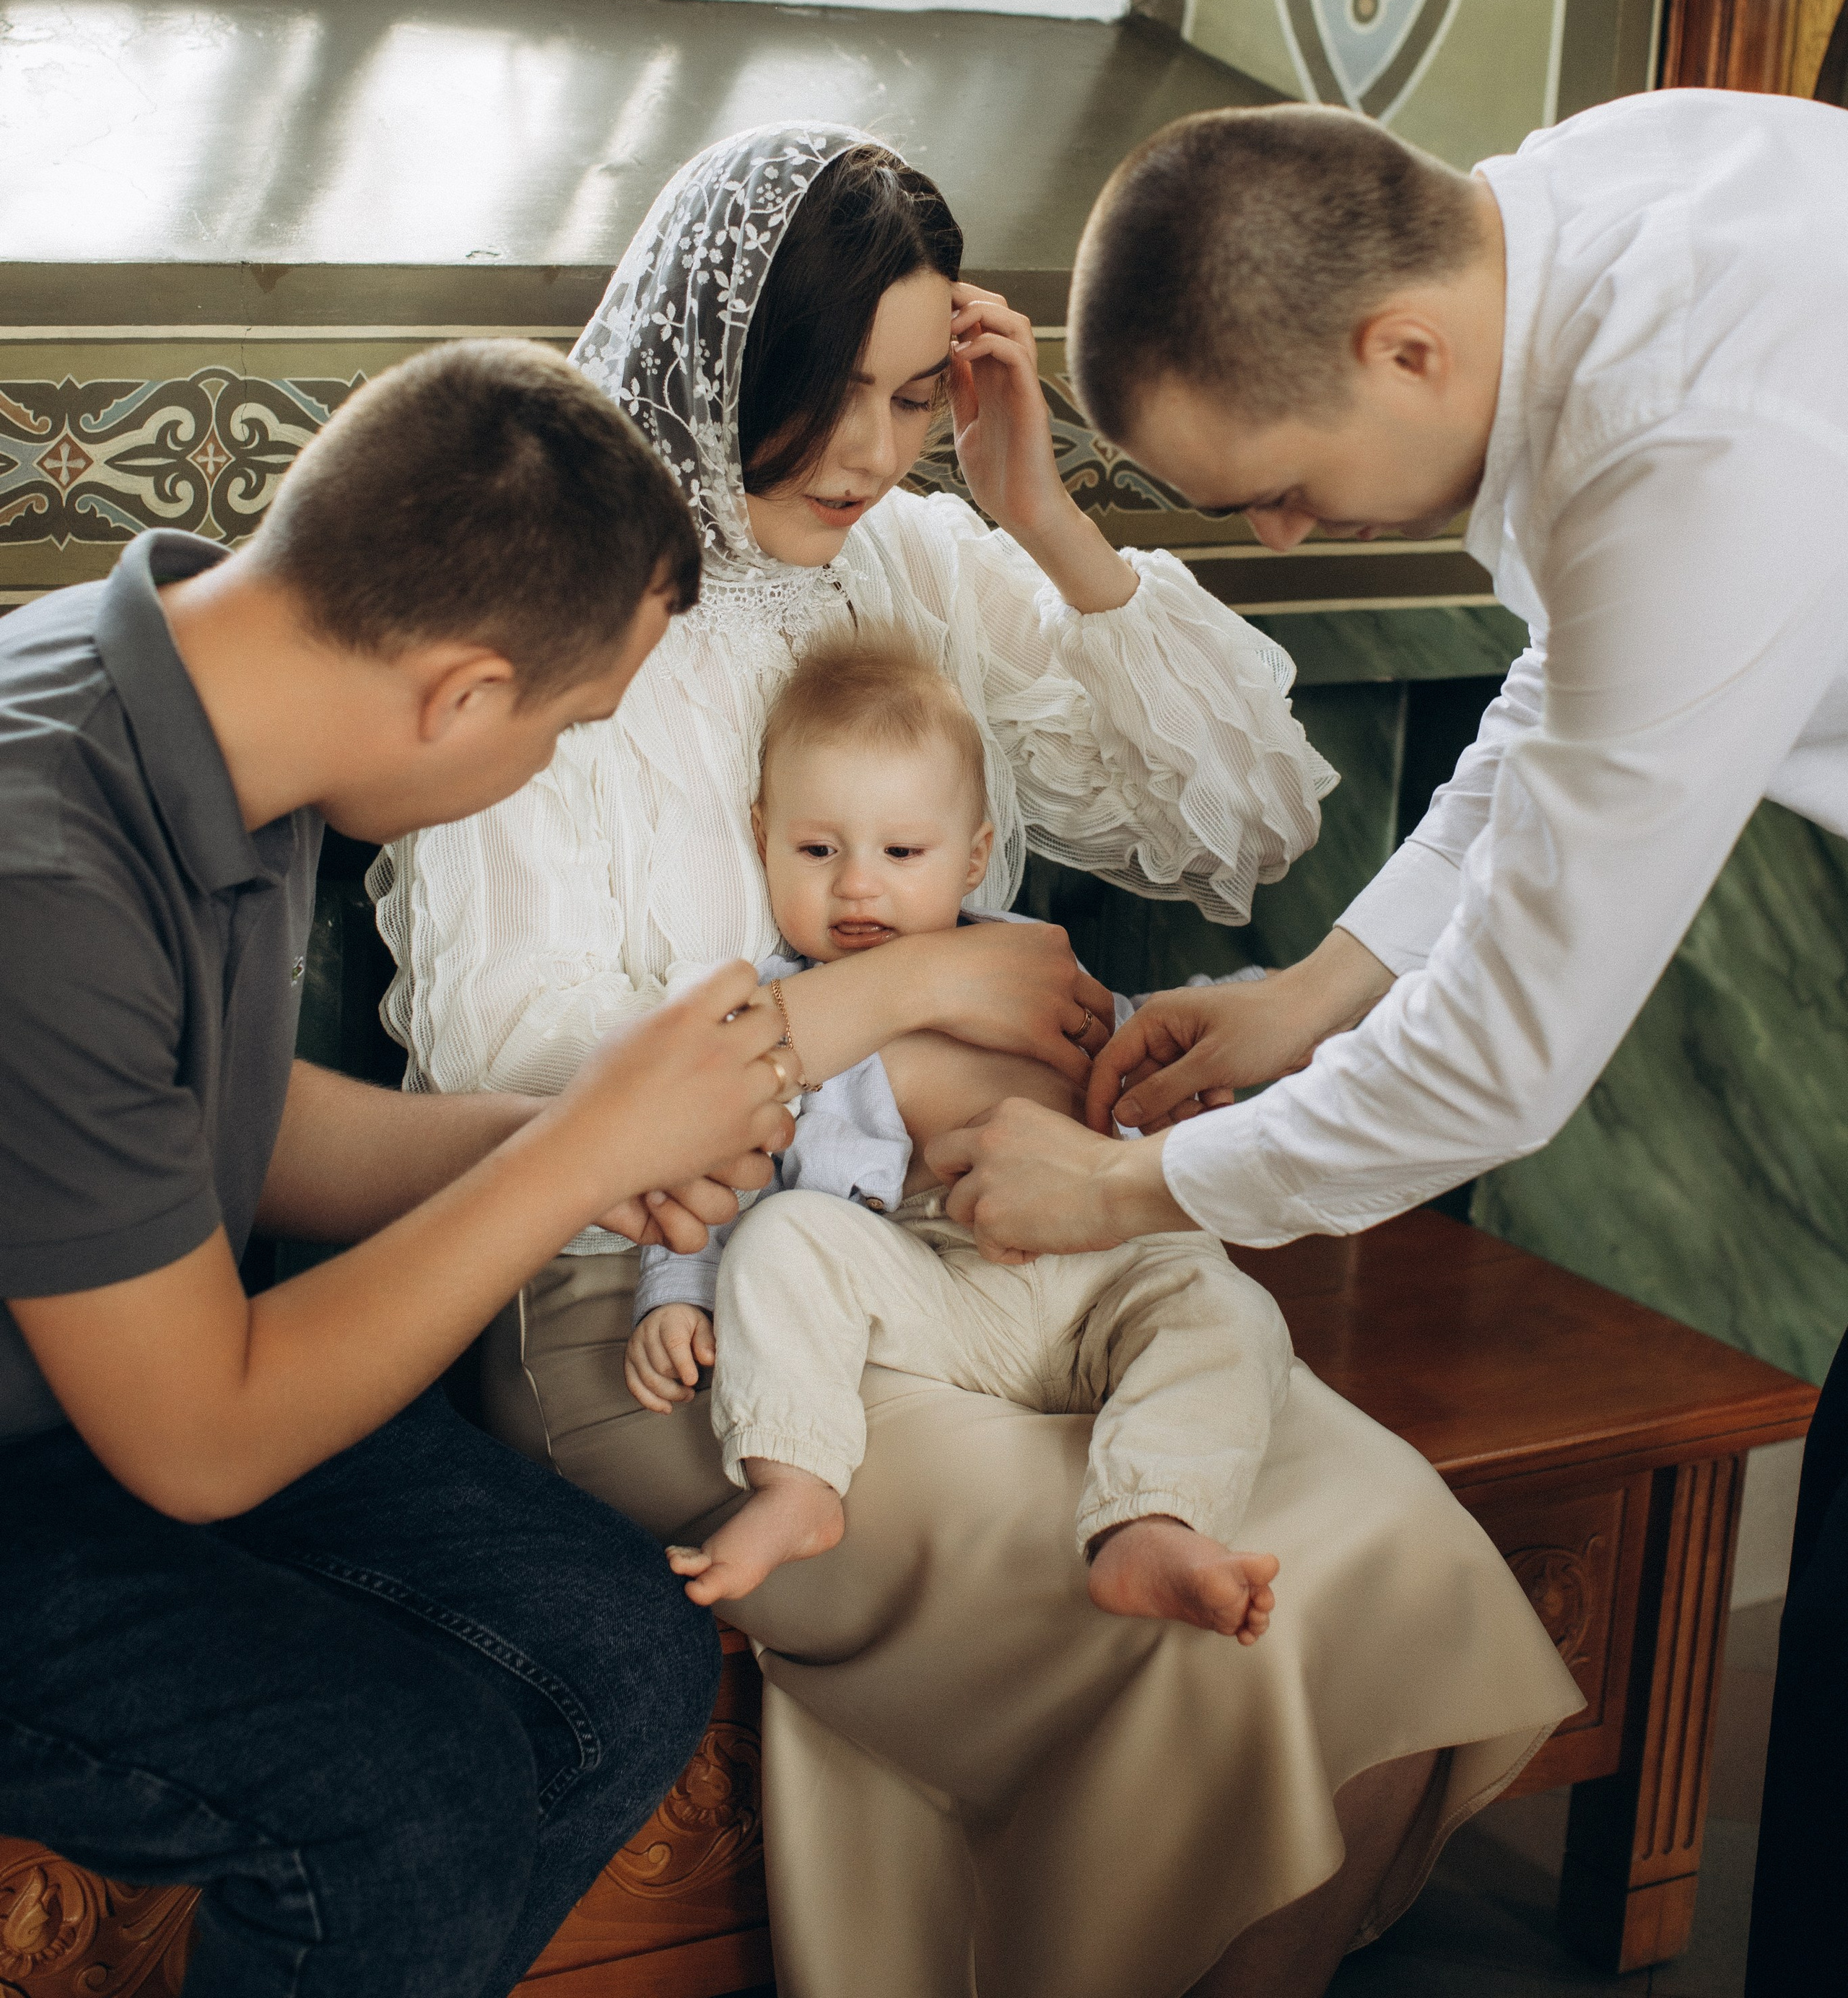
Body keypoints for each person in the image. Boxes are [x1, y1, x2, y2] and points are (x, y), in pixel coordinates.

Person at [375, 124, 1578, 1998]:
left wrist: (1038, 506)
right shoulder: (541, 600)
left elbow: (1244, 818)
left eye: (913, 395)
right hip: (659, 1313)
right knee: (1228, 1650)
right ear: (720, 359)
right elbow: (525, 1099)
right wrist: (926, 991)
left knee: (1384, 1553)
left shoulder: (925, 560)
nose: (870, 454)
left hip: (996, 1250)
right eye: (828, 396)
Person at [932, 90, 1848, 1997]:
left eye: (1273, 482)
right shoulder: (1565, 206)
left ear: (1403, 348)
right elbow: (1572, 694)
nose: (1274, 532)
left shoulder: (1695, 443)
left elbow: (1506, 1068)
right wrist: (1315, 985)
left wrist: (1124, 1182)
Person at [0, 339, 797, 1998]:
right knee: (397, 1784)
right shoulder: (41, 867)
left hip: (93, 1374)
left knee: (623, 1653)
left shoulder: (236, 706)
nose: (555, 761)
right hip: (81, 1437)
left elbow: (223, 1123)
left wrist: (564, 1157)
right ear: (461, 694)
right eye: (571, 725)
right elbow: (201, 1442)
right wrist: (581, 1138)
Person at [631, 626, 1292, 1640]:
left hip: (1105, 1274)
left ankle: (1152, 1518)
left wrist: (1272, 1033)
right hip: (930, 1283)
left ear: (975, 854)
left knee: (1229, 1310)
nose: (859, 884)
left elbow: (1151, 1041)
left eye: (903, 853)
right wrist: (674, 1293)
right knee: (786, 1237)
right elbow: (695, 1164)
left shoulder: (1033, 966)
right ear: (762, 836)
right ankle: (797, 1477)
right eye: (818, 850)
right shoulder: (779, 1015)